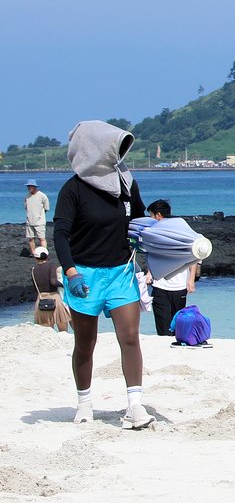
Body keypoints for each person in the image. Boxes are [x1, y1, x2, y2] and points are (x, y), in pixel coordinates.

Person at [52, 120, 154, 429]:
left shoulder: (126, 184)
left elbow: (139, 220)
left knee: (130, 338)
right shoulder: (73, 189)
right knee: (86, 342)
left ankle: (135, 406)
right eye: (114, 147)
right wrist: (70, 272)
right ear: (94, 149)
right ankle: (84, 403)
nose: (119, 155)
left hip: (121, 272)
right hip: (84, 274)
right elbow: (60, 234)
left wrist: (156, 251)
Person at [141, 199, 200, 337]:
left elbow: (194, 254)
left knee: (178, 323)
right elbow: (153, 254)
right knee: (163, 326)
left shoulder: (182, 231)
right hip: (160, 285)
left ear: (158, 215)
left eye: (151, 215)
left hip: (179, 285)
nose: (150, 219)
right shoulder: (154, 232)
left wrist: (191, 280)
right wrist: (149, 273)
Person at [30, 246, 70, 332]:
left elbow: (35, 288)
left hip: (41, 300)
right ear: (47, 256)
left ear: (36, 258)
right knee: (63, 332)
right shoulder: (52, 265)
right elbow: (53, 282)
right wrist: (64, 285)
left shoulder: (33, 270)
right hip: (54, 298)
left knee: (47, 333)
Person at [25, 179, 50, 256]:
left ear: (35, 186)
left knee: (41, 238)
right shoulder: (27, 196)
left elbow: (46, 208)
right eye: (28, 186)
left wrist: (39, 216)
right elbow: (26, 208)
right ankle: (33, 253)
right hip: (29, 221)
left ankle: (44, 254)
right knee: (31, 238)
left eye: (31, 186)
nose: (29, 188)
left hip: (39, 222)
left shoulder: (42, 195)